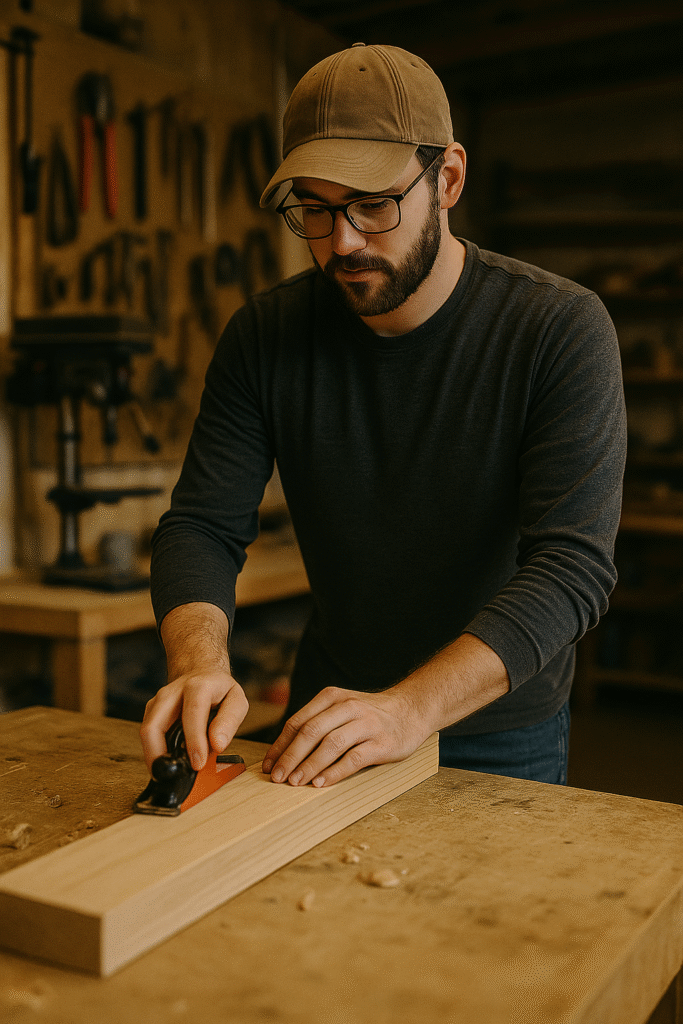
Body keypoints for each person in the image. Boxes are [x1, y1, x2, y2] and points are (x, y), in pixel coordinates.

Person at [141, 42, 626, 789]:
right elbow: (202, 524)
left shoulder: (557, 329)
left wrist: (407, 709)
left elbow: (571, 570)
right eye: (314, 208)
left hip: (495, 727)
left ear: (449, 178)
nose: (342, 242)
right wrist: (199, 661)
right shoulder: (265, 335)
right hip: (325, 715)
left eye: (374, 206)